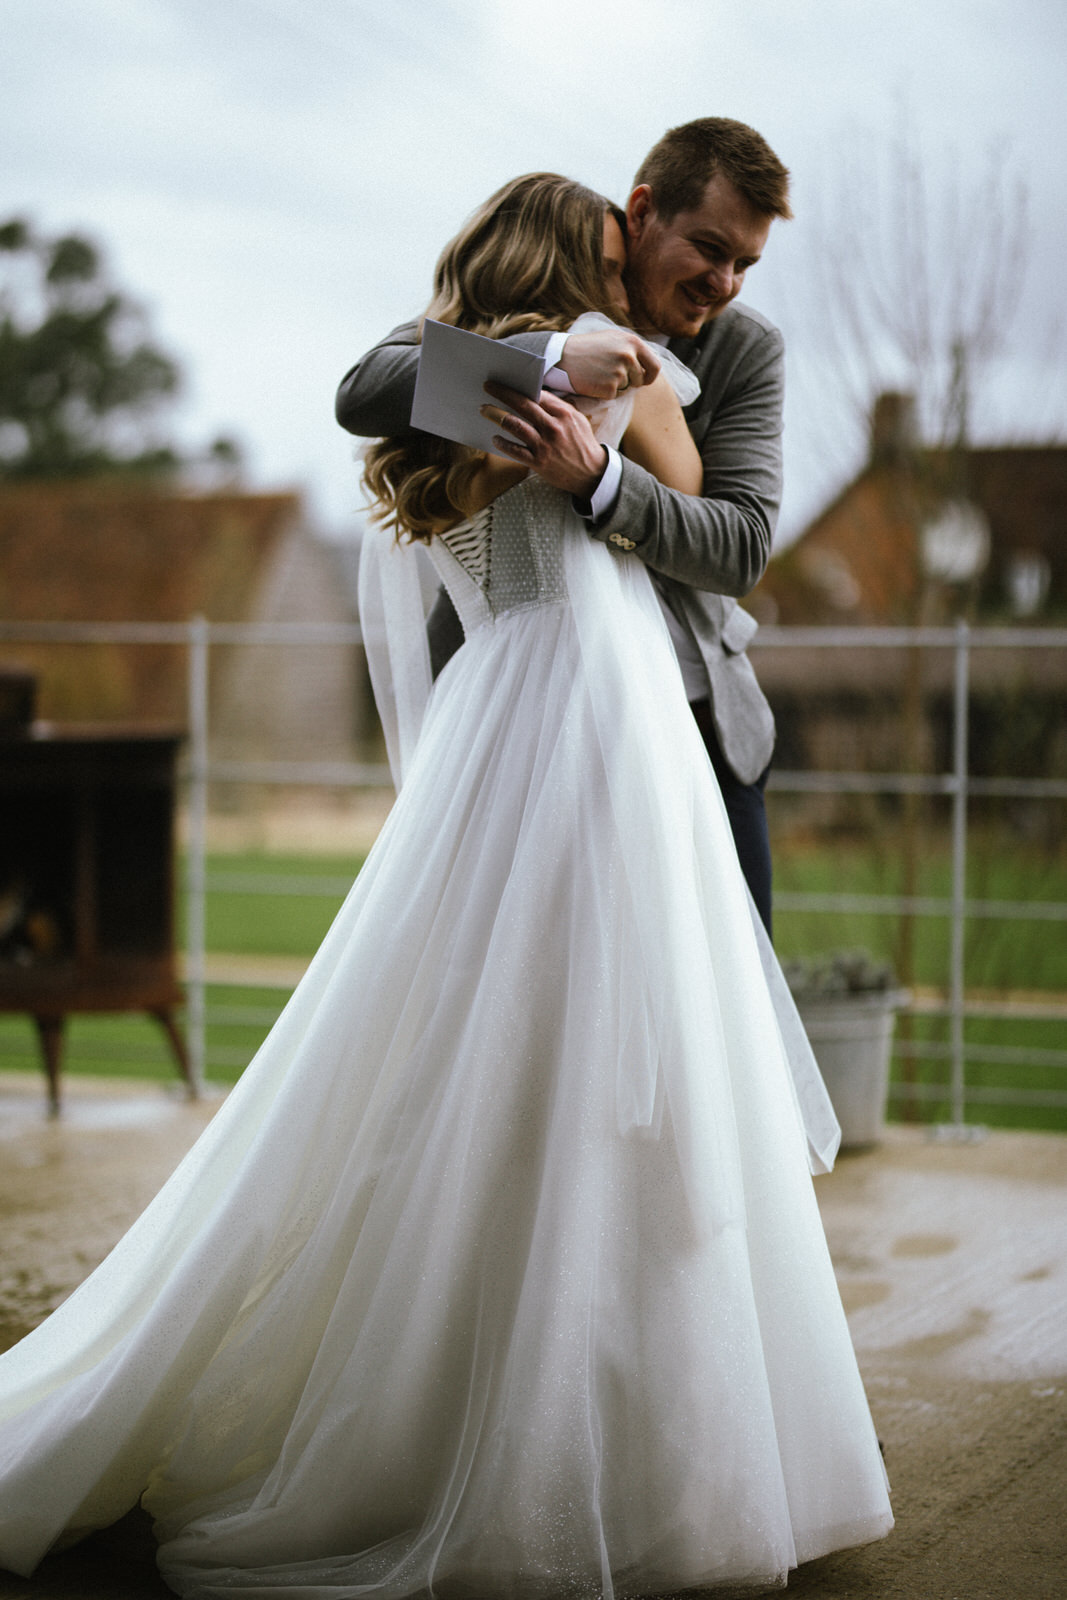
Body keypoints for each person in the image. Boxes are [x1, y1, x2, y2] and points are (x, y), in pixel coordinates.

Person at [0, 174, 891, 1599]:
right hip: (601, 735)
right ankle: (636, 1447)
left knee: (492, 1064)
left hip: (495, 730)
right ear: (581, 256)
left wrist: (552, 413)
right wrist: (618, 417)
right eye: (619, 248)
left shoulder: (454, 399)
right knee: (627, 1075)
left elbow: (388, 399)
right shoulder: (610, 367)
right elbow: (721, 550)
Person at [337, 117, 788, 934]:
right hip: (515, 703)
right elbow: (364, 389)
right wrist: (546, 362)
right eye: (708, 249)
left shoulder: (744, 350)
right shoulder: (510, 327)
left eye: (744, 264)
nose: (724, 282)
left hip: (687, 714)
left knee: (716, 1002)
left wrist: (601, 481)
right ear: (643, 212)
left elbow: (740, 545)